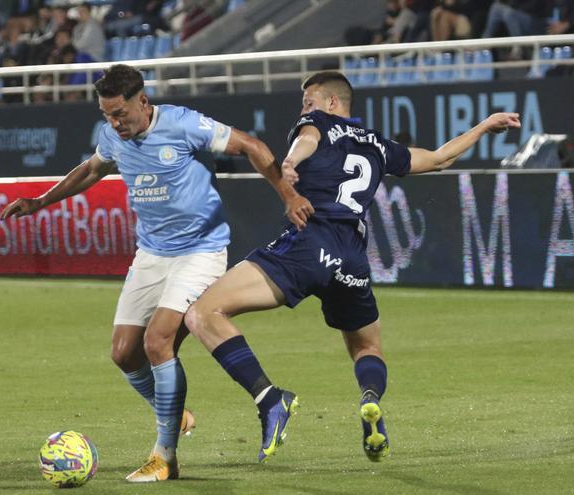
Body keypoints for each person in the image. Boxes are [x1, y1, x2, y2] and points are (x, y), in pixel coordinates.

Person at [185, 71, 520, 463]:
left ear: (331, 103)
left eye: (308, 102)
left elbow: (307, 139)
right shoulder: (378, 144)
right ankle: (370, 400)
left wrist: (290, 161)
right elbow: (441, 159)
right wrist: (484, 125)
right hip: (353, 258)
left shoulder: (315, 124)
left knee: (204, 313)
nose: (302, 110)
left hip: (308, 243)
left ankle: (270, 399)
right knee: (367, 346)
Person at [0, 64, 300, 482]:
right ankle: (173, 415)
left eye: (120, 113)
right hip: (152, 254)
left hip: (200, 250)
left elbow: (251, 144)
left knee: (158, 341)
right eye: (107, 115)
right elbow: (90, 170)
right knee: (124, 352)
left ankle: (165, 457)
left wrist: (287, 195)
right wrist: (39, 201)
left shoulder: (182, 123)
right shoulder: (113, 135)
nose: (115, 123)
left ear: (143, 101)